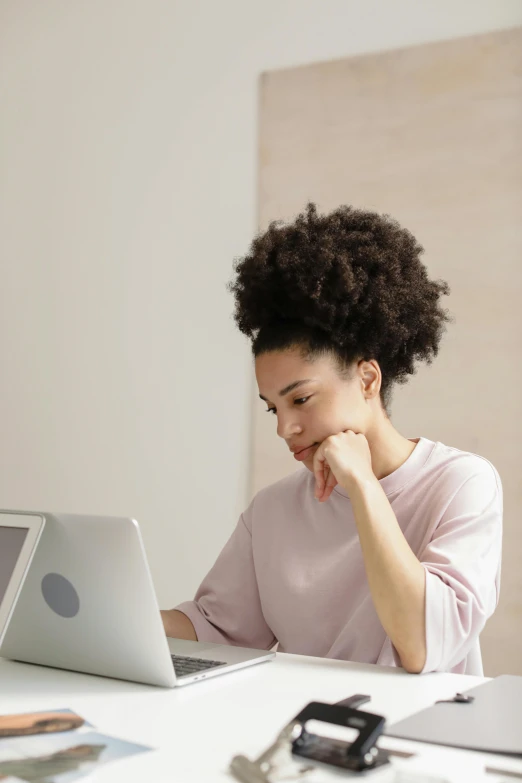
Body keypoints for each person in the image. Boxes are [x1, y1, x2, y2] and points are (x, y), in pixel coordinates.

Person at [161, 203, 502, 675]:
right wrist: (114, 618)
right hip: (303, 734)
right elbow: (219, 630)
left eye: (300, 400)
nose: (285, 428)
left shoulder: (461, 484)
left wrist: (362, 484)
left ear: (367, 379)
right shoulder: (272, 511)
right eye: (272, 408)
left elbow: (425, 645)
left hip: (422, 741)